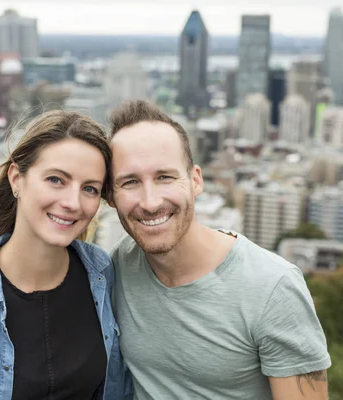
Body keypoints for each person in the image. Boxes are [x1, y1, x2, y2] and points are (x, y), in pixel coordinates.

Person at [107, 100, 331, 400]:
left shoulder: (273, 287)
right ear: (110, 196)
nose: (150, 202)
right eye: (130, 182)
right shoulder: (118, 266)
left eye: (165, 177)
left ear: (195, 180)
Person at [0, 111, 130, 400]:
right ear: (17, 179)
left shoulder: (103, 273)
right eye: (56, 180)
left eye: (89, 188)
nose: (72, 202)